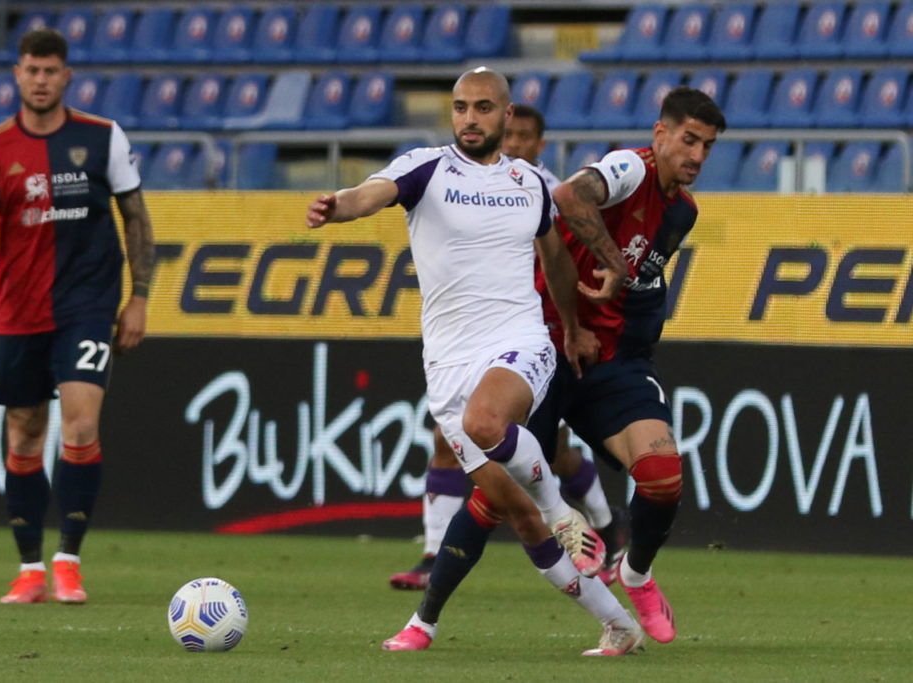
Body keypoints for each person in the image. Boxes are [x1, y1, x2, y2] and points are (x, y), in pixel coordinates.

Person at [308, 66, 642, 657]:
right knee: (517, 513)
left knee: (489, 426)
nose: (469, 118)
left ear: (507, 116)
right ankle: (617, 622)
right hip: (447, 364)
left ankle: (561, 506)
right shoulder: (427, 168)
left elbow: (556, 263)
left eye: (483, 108)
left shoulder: (533, 181)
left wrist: (567, 328)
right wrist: (339, 206)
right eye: (461, 107)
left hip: (520, 341)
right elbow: (371, 193)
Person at [408, 85, 726, 649]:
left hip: (609, 363)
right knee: (494, 497)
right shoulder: (629, 168)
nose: (697, 155)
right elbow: (573, 196)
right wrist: (607, 269)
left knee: (663, 476)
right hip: (543, 351)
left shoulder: (683, 214)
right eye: (688, 140)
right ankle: (424, 620)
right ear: (660, 135)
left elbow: (638, 282)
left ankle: (636, 574)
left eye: (706, 145)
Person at [0, 28, 154, 605]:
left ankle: (68, 559)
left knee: (82, 424)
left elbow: (136, 217)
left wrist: (138, 296)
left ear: (67, 76)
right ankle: (29, 568)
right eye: (31, 70)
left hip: (87, 306)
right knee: (24, 430)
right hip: (18, 311)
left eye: (50, 71)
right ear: (17, 75)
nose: (40, 80)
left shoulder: (102, 137)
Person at [388, 104, 628, 592]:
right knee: (447, 440)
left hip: (533, 341)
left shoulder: (543, 189)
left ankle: (605, 525)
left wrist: (572, 327)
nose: (515, 143)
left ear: (539, 144)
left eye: (524, 136)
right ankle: (434, 554)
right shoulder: (463, 182)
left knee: (554, 453)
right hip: (477, 339)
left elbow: (564, 263)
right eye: (511, 135)